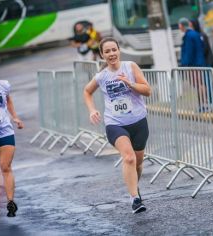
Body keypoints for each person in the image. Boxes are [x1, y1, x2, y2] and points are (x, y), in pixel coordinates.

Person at [83, 38, 151, 214]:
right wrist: (92, 110)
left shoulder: (130, 67)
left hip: (138, 121)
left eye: (114, 50)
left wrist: (130, 83)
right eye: (107, 51)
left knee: (137, 163)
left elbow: (147, 90)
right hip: (115, 123)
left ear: (119, 50)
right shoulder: (102, 76)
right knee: (128, 158)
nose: (111, 54)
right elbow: (87, 91)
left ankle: (134, 186)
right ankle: (135, 199)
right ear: (102, 55)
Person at [0, 57, 24, 218]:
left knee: (6, 167)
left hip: (4, 132)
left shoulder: (3, 85)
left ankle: (10, 202)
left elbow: (8, 100)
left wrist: (15, 117)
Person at [178, 17, 208, 112]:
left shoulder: (188, 35)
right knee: (200, 84)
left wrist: (184, 65)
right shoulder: (196, 34)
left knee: (199, 85)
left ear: (181, 25)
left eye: (179, 25)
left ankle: (203, 105)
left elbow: (189, 52)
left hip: (193, 65)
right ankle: (204, 104)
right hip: (199, 63)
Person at [190, 19, 213, 106]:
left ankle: (212, 100)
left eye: (190, 25)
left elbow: (204, 50)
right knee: (203, 84)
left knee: (208, 82)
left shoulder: (201, 35)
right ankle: (207, 102)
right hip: (200, 64)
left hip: (206, 63)